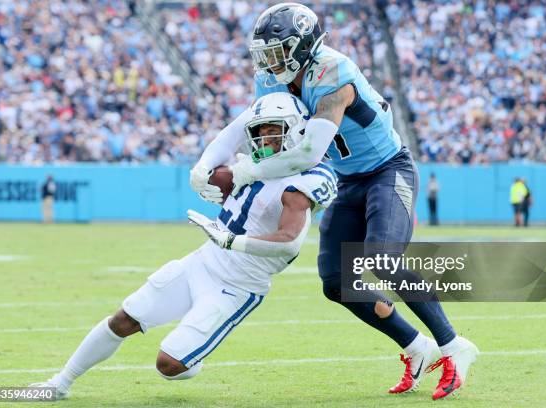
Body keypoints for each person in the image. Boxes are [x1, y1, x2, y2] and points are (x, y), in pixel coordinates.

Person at [190, 4, 477, 400]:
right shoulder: (274, 78)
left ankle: (452, 344)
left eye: (278, 51)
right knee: (336, 281)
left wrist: (242, 173)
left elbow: (309, 152)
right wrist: (203, 165)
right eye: (266, 53)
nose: (270, 63)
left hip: (386, 170)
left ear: (304, 45)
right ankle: (417, 348)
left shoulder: (332, 73)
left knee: (382, 258)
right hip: (347, 180)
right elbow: (246, 124)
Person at [30, 93, 337, 399]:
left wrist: (233, 240)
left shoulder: (303, 181)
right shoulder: (251, 166)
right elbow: (227, 153)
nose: (263, 139)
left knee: (169, 364)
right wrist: (207, 178)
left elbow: (289, 243)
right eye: (259, 132)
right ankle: (59, 383)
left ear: (297, 130)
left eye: (272, 130)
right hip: (202, 262)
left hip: (238, 285)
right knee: (124, 318)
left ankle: (192, 355)